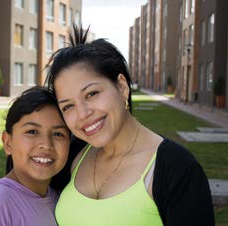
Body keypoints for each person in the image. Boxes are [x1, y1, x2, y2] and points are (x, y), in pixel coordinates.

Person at [46, 25, 215, 226]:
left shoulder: (175, 168)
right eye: (68, 106)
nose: (83, 114)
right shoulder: (73, 156)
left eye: (91, 94)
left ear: (122, 87)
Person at [0, 86, 71, 226]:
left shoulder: (59, 200)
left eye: (58, 134)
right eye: (32, 131)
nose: (46, 144)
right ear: (8, 143)